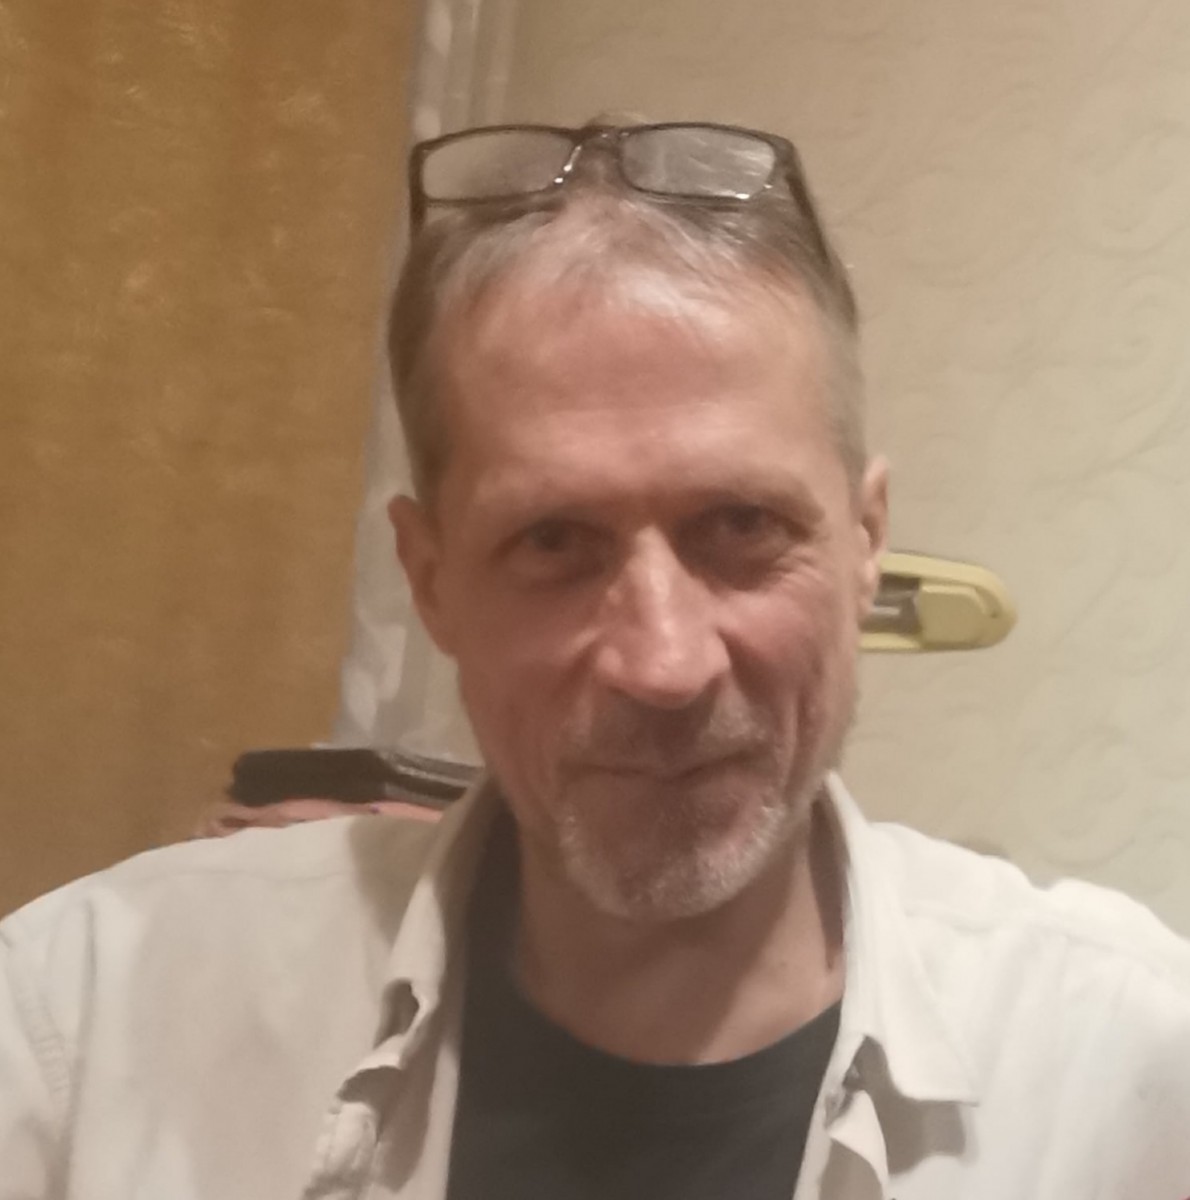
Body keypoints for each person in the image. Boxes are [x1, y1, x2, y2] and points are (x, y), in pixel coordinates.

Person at [2, 120, 1189, 1200]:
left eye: (741, 526)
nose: (662, 665)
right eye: (552, 542)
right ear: (430, 579)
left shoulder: (1123, 1070)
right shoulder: (81, 1025)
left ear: (863, 543)